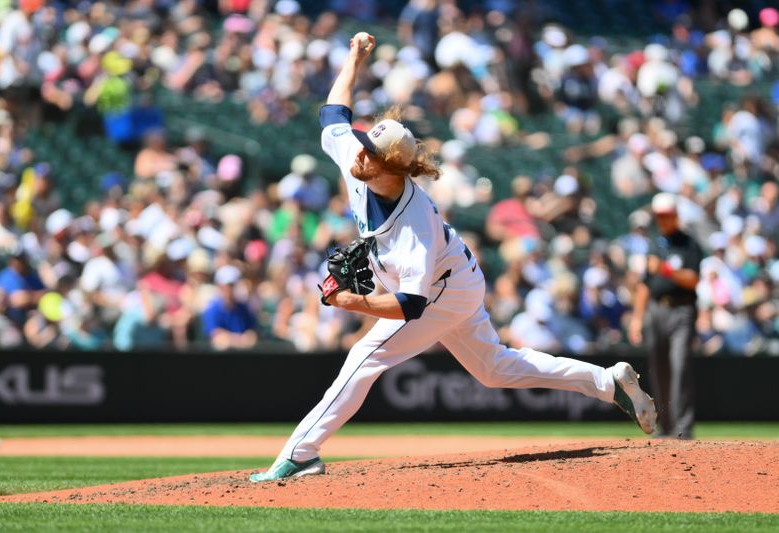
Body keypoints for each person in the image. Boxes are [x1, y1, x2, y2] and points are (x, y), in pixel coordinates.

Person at [250, 33, 657, 483]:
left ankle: (301, 453)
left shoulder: (414, 221)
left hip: (443, 288)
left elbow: (411, 306)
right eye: (364, 145)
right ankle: (608, 383)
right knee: (494, 369)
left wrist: (353, 303)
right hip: (457, 276)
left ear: (392, 168)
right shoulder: (359, 157)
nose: (359, 154)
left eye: (370, 153)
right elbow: (333, 114)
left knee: (365, 358)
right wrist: (353, 59)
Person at [628, 193, 702, 439]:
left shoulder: (689, 244)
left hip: (682, 309)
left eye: (666, 215)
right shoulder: (655, 244)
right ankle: (666, 426)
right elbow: (645, 285)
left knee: (680, 365)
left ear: (675, 216)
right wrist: (637, 318)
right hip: (656, 309)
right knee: (658, 369)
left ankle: (683, 427)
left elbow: (692, 280)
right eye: (658, 216)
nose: (662, 220)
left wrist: (666, 269)